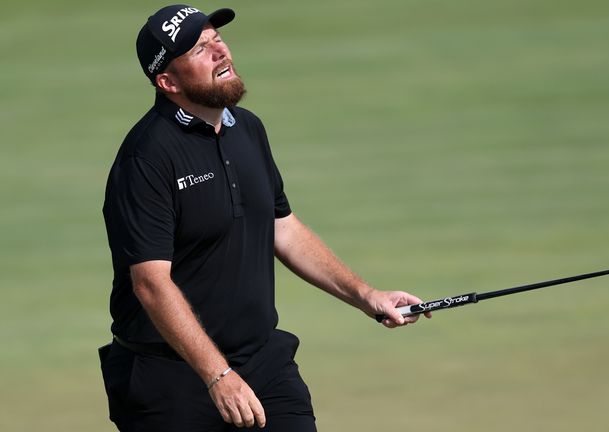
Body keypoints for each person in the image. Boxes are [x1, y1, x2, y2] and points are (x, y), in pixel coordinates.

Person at [100, 5, 429, 431]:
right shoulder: (147, 157)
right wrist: (217, 376)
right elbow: (150, 283)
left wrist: (366, 295)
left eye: (217, 38)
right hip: (169, 379)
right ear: (168, 82)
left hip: (260, 362)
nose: (220, 51)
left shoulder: (247, 129)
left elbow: (283, 227)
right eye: (200, 49)